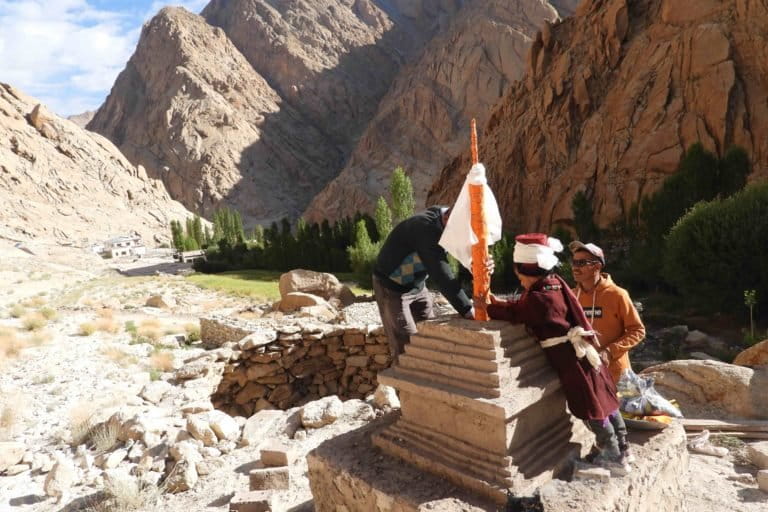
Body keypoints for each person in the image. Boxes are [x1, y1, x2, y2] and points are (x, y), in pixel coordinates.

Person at [487, 233, 631, 474]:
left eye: (519, 275)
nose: (520, 280)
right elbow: (522, 306)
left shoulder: (539, 297)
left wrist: (488, 305)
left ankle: (613, 455)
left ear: (525, 271)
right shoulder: (555, 283)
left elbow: (517, 313)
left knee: (592, 406)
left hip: (571, 359)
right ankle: (624, 447)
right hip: (585, 354)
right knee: (605, 400)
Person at [372, 206, 475, 363]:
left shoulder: (446, 222)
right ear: (447, 219)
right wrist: (467, 309)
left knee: (430, 337)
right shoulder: (426, 229)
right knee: (407, 345)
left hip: (418, 286)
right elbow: (442, 275)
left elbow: (466, 252)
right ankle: (405, 384)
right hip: (392, 288)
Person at [569, 241, 645, 384]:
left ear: (597, 266)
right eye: (573, 262)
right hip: (585, 375)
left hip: (616, 377)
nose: (575, 267)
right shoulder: (571, 296)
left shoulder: (618, 295)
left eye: (581, 263)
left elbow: (637, 330)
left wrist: (610, 352)